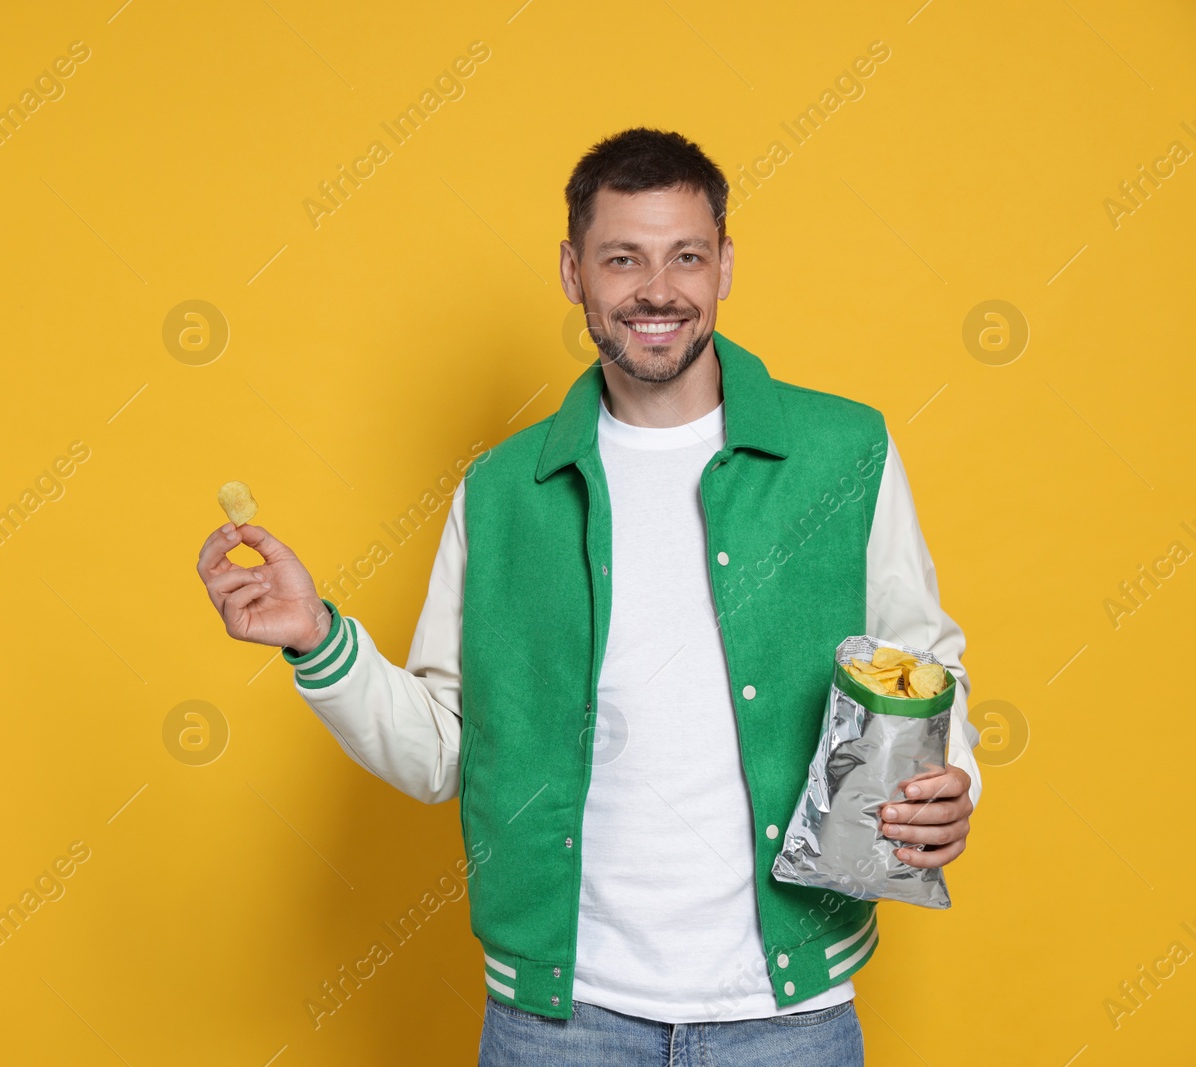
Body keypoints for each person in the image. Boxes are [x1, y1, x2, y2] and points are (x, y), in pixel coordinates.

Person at [196, 127, 980, 1066]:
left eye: (686, 256)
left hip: (790, 1013)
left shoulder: (844, 451)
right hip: (559, 1023)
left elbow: (922, 659)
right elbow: (443, 751)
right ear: (574, 272)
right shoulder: (501, 490)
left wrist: (952, 776)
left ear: (725, 264)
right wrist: (318, 638)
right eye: (623, 259)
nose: (658, 290)